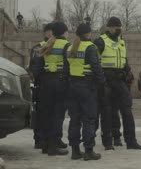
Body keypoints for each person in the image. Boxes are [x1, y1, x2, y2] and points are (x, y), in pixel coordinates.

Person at [94, 17, 141, 150]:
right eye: (117, 28)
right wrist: (100, 77)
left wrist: (128, 70)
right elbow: (93, 60)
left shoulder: (121, 41)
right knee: (107, 111)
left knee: (127, 109)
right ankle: (107, 142)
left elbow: (124, 59)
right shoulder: (101, 41)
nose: (119, 30)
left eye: (120, 28)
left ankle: (131, 141)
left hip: (120, 79)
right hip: (106, 80)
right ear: (109, 28)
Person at [66, 23, 103, 160]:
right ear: (88, 34)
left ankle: (75, 151)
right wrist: (101, 83)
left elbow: (66, 67)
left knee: (75, 119)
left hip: (72, 85)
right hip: (87, 86)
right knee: (89, 118)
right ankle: (88, 150)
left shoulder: (70, 48)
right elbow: (96, 67)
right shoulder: (90, 47)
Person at [35, 22, 70, 156]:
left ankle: (45, 143)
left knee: (47, 114)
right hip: (60, 82)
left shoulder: (46, 45)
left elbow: (38, 66)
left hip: (46, 83)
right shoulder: (66, 45)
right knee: (57, 115)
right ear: (64, 32)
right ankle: (53, 146)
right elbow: (68, 66)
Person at [29, 22, 54, 150]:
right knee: (40, 113)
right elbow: (33, 68)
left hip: (51, 84)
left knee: (51, 114)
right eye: (49, 31)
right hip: (41, 85)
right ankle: (39, 139)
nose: (51, 33)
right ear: (45, 33)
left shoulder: (57, 46)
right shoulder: (38, 47)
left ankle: (49, 139)